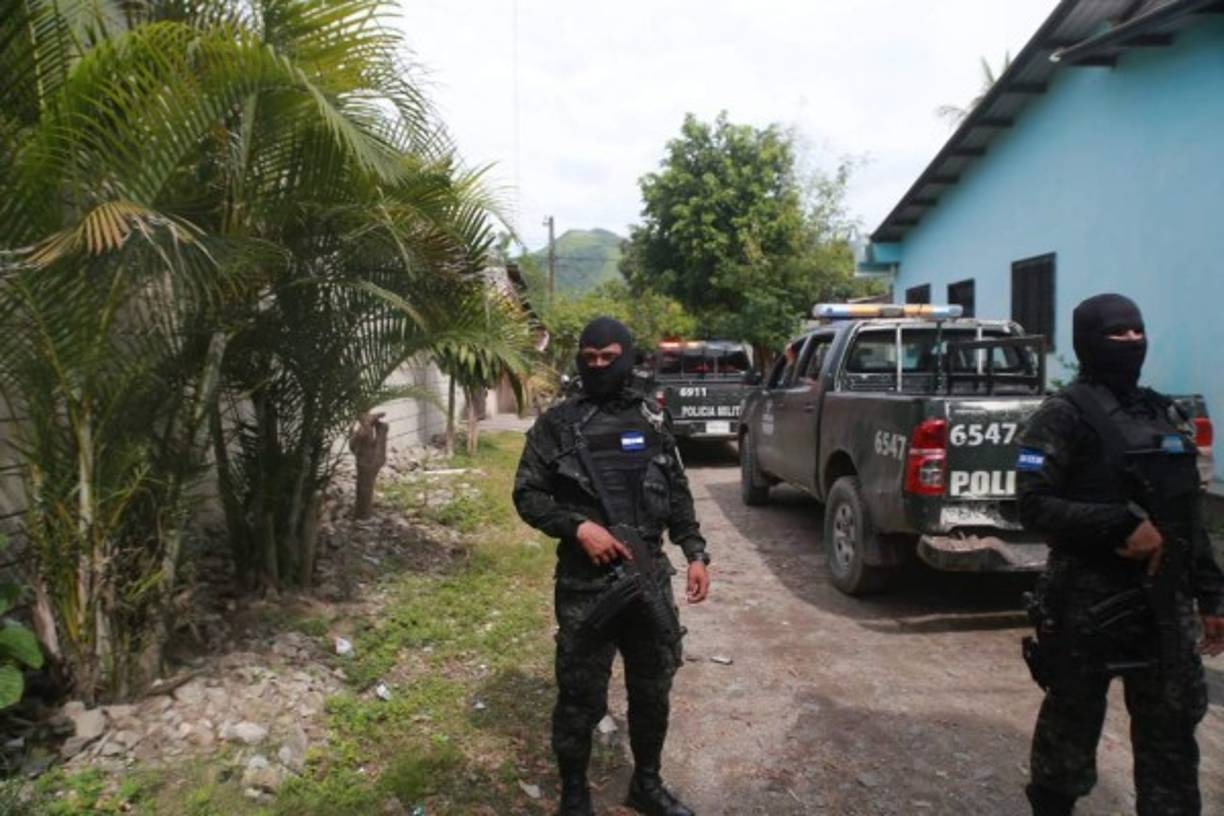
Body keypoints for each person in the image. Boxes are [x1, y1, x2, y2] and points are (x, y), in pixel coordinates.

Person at [1016, 293, 1224, 815]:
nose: (1132, 342)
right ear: (1088, 340)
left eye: (1138, 332)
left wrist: (1212, 595)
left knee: (1172, 737)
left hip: (1166, 608)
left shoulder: (1164, 411)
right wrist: (1119, 524)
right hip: (1087, 603)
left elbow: (1187, 516)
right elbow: (1030, 504)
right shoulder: (1060, 416)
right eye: (1118, 334)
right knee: (1070, 727)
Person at [513, 316, 710, 816]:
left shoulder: (653, 421)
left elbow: (678, 492)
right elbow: (527, 494)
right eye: (590, 357)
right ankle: (575, 796)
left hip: (646, 579)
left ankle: (646, 784)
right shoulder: (556, 425)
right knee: (580, 697)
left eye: (609, 357)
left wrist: (695, 553)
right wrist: (578, 528)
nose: (598, 365)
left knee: (653, 689)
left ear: (627, 357)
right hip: (586, 587)